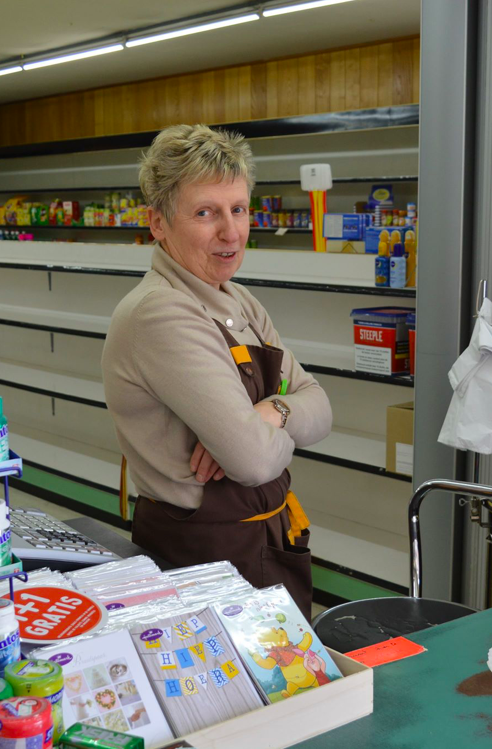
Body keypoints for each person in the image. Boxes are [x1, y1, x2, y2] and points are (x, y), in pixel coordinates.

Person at [102, 124, 332, 616]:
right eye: (205, 213)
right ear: (158, 223)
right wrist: (269, 425)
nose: (230, 232)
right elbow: (251, 461)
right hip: (203, 561)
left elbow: (323, 409)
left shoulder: (237, 300)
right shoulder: (162, 313)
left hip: (265, 540)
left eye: (239, 209)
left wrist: (269, 411)